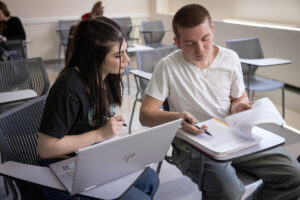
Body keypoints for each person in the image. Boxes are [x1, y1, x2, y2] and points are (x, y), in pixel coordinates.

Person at [139, 4, 300, 200]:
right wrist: (177, 117)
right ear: (177, 42)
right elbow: (145, 115)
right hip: (193, 142)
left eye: (205, 39)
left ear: (213, 31)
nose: (200, 49)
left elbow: (238, 98)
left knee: (294, 175)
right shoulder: (167, 66)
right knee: (230, 191)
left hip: (233, 134)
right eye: (189, 43)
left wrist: (239, 105)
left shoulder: (230, 58)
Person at [37, 17, 159, 200]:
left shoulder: (107, 76)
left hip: (92, 158)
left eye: (126, 52)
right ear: (95, 57)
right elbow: (46, 149)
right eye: (118, 56)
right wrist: (101, 134)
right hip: (63, 165)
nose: (127, 59)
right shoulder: (68, 89)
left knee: (151, 180)